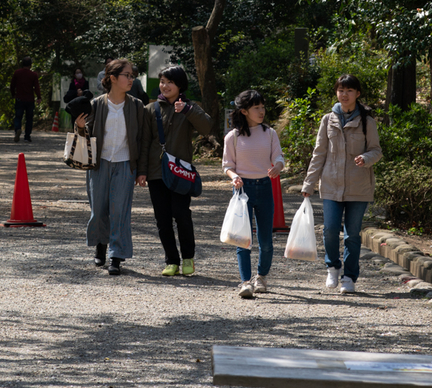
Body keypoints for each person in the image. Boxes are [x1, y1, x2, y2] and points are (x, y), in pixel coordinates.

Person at [300, 74, 383, 295]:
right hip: (330, 185)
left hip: (359, 186)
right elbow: (319, 153)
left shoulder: (367, 121)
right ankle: (333, 267)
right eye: (340, 90)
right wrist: (309, 183)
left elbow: (376, 150)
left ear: (357, 94)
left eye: (349, 91)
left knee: (352, 235)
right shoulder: (328, 120)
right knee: (329, 230)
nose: (344, 95)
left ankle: (349, 277)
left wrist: (366, 158)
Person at [74, 57, 154, 274]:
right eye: (127, 75)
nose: (131, 79)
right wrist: (80, 127)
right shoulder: (96, 104)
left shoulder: (137, 106)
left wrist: (142, 171)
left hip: (126, 164)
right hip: (99, 164)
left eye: (132, 76)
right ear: (112, 78)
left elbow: (143, 141)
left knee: (120, 211)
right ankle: (101, 245)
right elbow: (85, 136)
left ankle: (116, 255)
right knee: (98, 209)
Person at [147, 66, 213, 276]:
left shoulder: (190, 107)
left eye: (170, 82)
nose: (165, 86)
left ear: (180, 86)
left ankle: (188, 258)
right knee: (162, 219)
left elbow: (208, 127)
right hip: (156, 172)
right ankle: (171, 261)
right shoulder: (151, 109)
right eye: (162, 81)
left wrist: (187, 110)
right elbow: (144, 143)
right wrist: (141, 171)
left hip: (180, 173)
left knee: (182, 215)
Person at [222, 89, 284, 298]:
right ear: (244, 111)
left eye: (263, 107)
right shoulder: (233, 136)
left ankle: (261, 277)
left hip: (265, 187)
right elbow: (227, 165)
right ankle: (245, 282)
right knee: (243, 239)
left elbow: (279, 157)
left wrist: (278, 166)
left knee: (266, 239)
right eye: (256, 107)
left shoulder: (270, 133)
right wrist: (233, 177)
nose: (261, 111)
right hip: (242, 190)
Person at [10, 58, 42, 142]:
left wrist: (13, 94)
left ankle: (17, 129)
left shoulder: (17, 73)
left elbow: (12, 85)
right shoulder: (33, 75)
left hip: (19, 98)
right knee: (29, 118)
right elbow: (36, 87)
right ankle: (27, 136)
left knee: (18, 116)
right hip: (29, 99)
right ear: (30, 65)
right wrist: (39, 97)